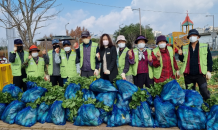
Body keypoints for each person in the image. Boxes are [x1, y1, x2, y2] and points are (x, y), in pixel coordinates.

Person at [179, 29, 212, 100]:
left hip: (200, 74)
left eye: (194, 35)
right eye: (190, 36)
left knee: (204, 92)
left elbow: (209, 59)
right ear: (188, 38)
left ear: (198, 37)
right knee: (190, 94)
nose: (192, 37)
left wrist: (209, 70)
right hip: (188, 75)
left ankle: (207, 104)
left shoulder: (204, 46)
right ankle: (193, 107)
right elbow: (182, 60)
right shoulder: (184, 47)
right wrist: (180, 55)